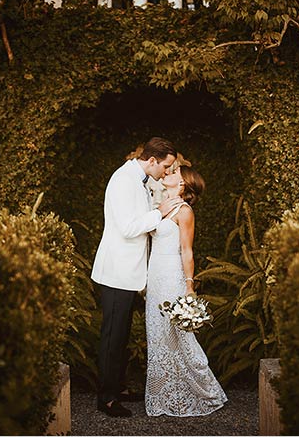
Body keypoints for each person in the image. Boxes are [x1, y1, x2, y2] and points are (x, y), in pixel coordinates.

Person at [92, 137, 183, 418]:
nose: (167, 172)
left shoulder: (138, 179)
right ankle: (106, 399)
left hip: (128, 274)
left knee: (120, 337)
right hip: (116, 274)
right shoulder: (123, 180)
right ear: (152, 160)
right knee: (112, 337)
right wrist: (161, 212)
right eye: (166, 166)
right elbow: (129, 228)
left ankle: (115, 388)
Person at [144, 164, 228, 417]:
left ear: (183, 184)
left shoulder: (185, 211)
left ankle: (206, 391)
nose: (169, 172)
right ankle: (164, 395)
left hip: (172, 275)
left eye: (175, 172)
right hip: (155, 275)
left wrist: (189, 286)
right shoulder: (161, 206)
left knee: (179, 336)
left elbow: (187, 251)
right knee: (158, 334)